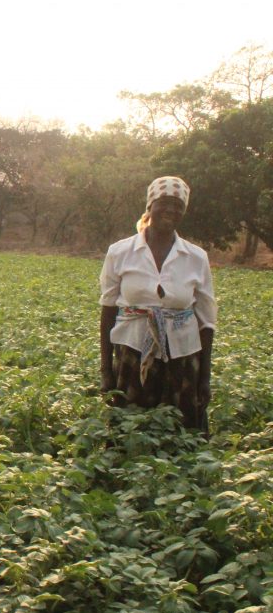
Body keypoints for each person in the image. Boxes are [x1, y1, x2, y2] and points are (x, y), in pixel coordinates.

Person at [99, 176, 216, 437]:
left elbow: (207, 322)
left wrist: (204, 378)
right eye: (165, 203)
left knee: (181, 436)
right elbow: (108, 313)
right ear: (150, 205)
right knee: (131, 435)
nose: (171, 211)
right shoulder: (120, 252)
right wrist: (106, 370)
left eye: (178, 206)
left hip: (183, 359)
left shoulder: (196, 257)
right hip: (132, 356)